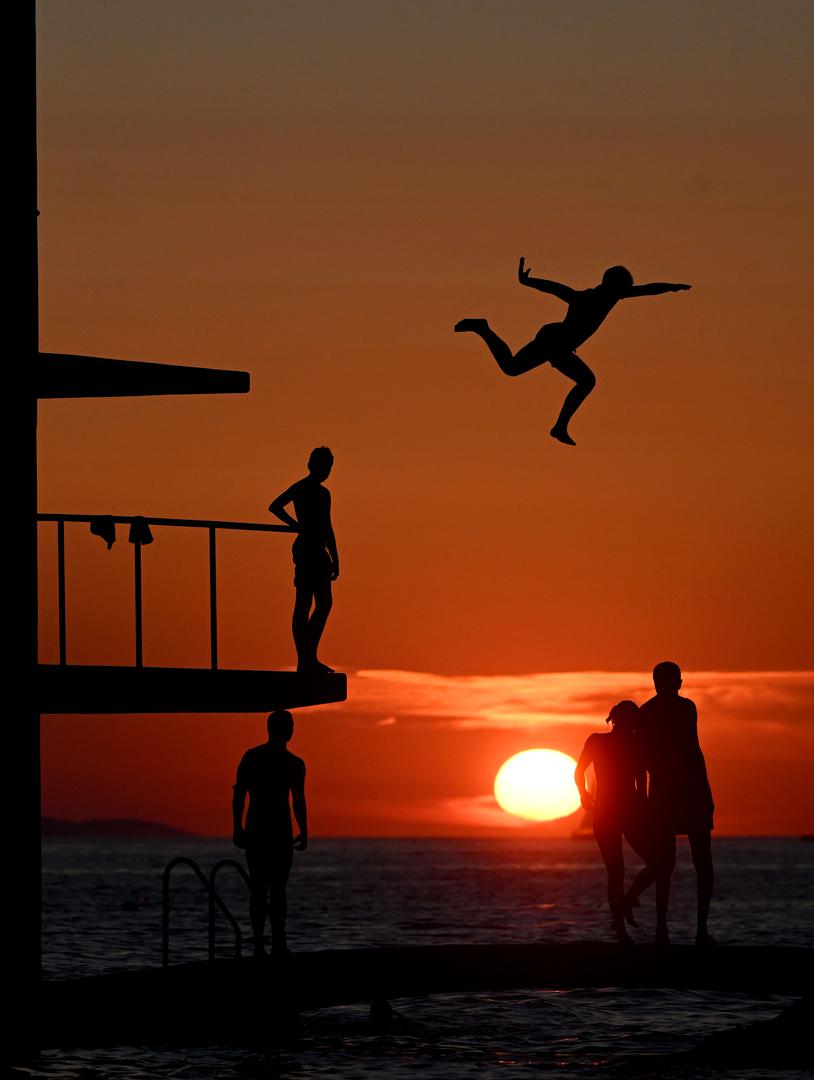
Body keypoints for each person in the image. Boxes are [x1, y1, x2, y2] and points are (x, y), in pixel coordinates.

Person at [454, 259, 691, 445]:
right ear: (613, 286)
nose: (625, 293)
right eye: (623, 289)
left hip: (558, 344)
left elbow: (646, 289)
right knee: (580, 379)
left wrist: (672, 287)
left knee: (513, 368)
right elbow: (556, 289)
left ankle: (483, 328)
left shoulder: (607, 296)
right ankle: (483, 329)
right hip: (554, 341)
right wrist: (528, 282)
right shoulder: (587, 297)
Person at [628, 661, 716, 946]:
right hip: (687, 791)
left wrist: (642, 799)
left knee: (668, 864)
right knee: (699, 863)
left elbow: (641, 764)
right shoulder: (683, 708)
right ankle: (695, 932)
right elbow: (692, 752)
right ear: (678, 682)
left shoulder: (649, 712)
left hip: (671, 793)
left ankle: (663, 930)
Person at [574, 700, 661, 946]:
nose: (631, 725)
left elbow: (641, 781)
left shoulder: (636, 744)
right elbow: (578, 771)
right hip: (607, 812)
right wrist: (583, 794)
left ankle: (626, 901)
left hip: (628, 812)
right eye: (629, 720)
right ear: (616, 720)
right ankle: (621, 932)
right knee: (617, 872)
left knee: (656, 863)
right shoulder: (597, 741)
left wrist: (644, 810)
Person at [232, 710, 308, 957]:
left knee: (274, 889)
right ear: (277, 729)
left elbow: (298, 800)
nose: (292, 730)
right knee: (263, 889)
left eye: (292, 725)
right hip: (261, 832)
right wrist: (237, 828)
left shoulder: (294, 764)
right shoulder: (255, 758)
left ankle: (275, 944)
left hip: (277, 833)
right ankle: (261, 945)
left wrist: (304, 830)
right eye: (289, 725)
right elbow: (239, 794)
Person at [269, 446, 339, 674]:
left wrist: (336, 557)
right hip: (306, 551)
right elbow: (275, 506)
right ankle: (305, 658)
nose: (325, 471)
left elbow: (328, 526)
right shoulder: (301, 487)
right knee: (303, 604)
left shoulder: (324, 494)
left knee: (324, 603)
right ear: (311, 465)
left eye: (329, 467)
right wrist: (295, 525)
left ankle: (309, 655)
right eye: (322, 465)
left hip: (320, 553)